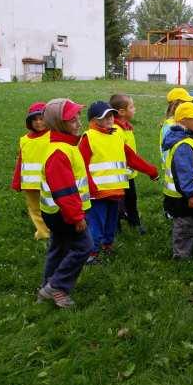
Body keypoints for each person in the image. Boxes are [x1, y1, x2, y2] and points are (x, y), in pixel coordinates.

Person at [79, 101, 158, 265]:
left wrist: (150, 170)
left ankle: (107, 245)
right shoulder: (89, 138)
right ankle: (91, 253)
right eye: (104, 117)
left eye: (111, 116)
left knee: (111, 221)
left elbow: (131, 158)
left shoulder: (116, 136)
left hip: (116, 191)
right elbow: (81, 166)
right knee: (96, 223)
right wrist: (90, 187)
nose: (109, 119)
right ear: (93, 120)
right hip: (96, 194)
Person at [36, 99, 93, 308]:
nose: (78, 122)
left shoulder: (65, 145)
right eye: (71, 119)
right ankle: (57, 287)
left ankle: (45, 288)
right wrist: (77, 217)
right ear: (59, 124)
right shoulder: (60, 152)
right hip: (63, 213)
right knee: (84, 247)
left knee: (59, 248)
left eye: (77, 117)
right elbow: (65, 191)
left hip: (56, 212)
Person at [161, 102, 193, 260]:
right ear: (183, 121)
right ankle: (181, 255)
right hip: (183, 198)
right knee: (184, 226)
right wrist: (191, 195)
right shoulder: (184, 145)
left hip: (183, 196)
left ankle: (191, 247)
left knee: (189, 223)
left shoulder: (187, 140)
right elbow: (184, 173)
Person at [11, 102, 51, 240]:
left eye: (41, 118)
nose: (39, 122)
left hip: (49, 182)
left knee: (51, 207)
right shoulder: (24, 140)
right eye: (35, 120)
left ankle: (54, 230)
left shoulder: (53, 136)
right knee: (35, 209)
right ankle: (43, 232)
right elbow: (21, 161)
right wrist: (17, 182)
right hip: (30, 184)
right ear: (30, 122)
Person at [110, 93, 146, 235]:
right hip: (118, 176)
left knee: (131, 199)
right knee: (118, 201)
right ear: (122, 112)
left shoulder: (126, 127)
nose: (134, 109)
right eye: (132, 106)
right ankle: (116, 226)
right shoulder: (116, 130)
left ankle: (134, 221)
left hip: (129, 174)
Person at [160, 87, 193, 165]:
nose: (191, 105)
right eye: (187, 102)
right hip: (176, 168)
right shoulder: (170, 126)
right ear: (178, 105)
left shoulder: (177, 122)